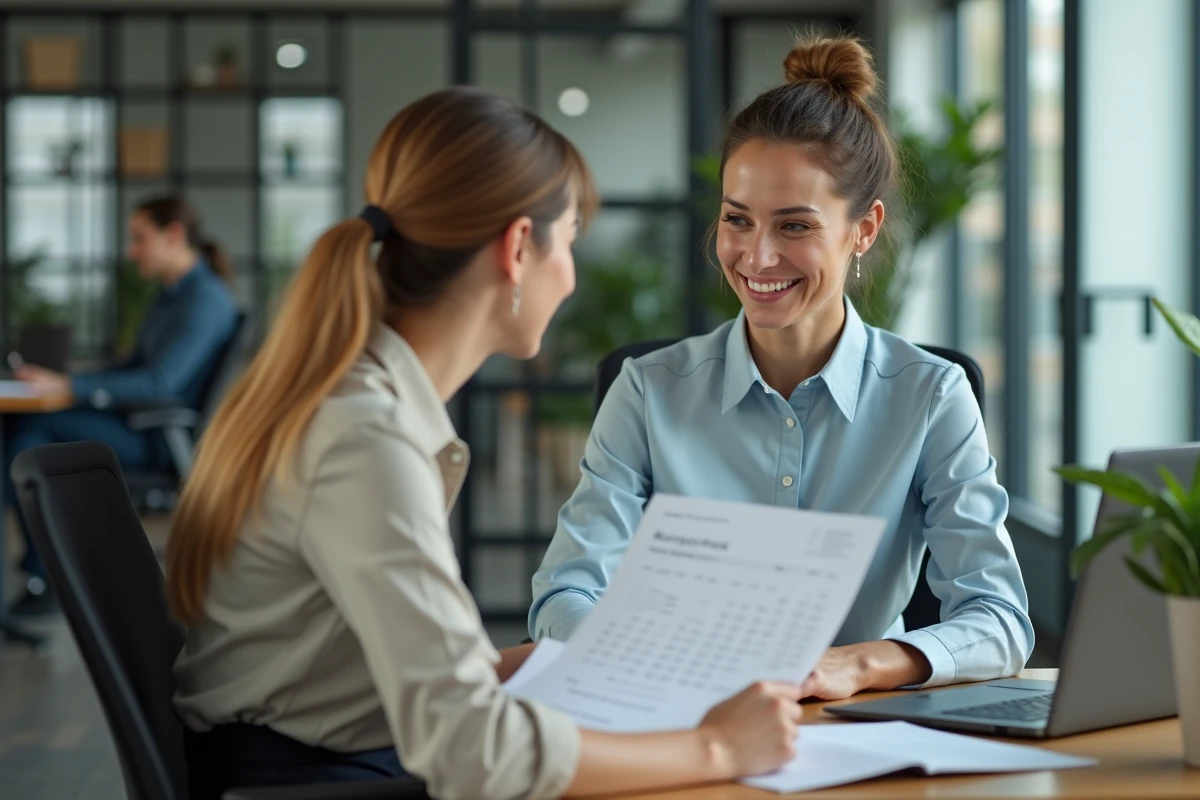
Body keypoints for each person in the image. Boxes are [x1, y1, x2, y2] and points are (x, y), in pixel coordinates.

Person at [168, 87, 801, 800]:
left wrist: (549, 661)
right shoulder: (364, 441)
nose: (570, 276)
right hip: (320, 781)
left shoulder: (355, 401)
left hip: (328, 758)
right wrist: (719, 747)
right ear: (519, 247)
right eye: (569, 241)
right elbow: (474, 752)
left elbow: (361, 670)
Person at [530, 34, 1034, 700]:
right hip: (680, 717)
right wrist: (643, 658)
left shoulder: (931, 396)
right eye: (737, 220)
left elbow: (999, 619)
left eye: (795, 226)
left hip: (856, 720)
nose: (757, 256)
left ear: (864, 229)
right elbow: (564, 595)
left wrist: (855, 666)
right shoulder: (648, 392)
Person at [6, 194, 238, 615]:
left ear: (173, 235)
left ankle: (43, 579)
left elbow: (160, 382)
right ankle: (42, 574)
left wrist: (71, 385)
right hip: (132, 422)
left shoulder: (205, 299)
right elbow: (132, 365)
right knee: (18, 427)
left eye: (139, 239)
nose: (131, 252)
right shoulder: (169, 295)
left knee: (31, 435)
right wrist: (64, 378)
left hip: (157, 437)